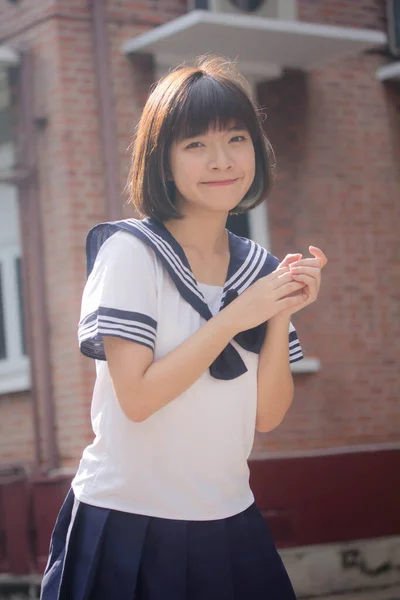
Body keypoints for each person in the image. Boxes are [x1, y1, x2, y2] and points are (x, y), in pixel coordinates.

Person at [40, 55, 327, 600]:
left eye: (236, 139)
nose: (221, 160)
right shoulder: (131, 253)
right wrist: (237, 317)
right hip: (129, 520)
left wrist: (282, 308)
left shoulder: (259, 268)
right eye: (195, 144)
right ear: (162, 159)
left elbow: (267, 415)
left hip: (230, 517)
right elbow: (139, 399)